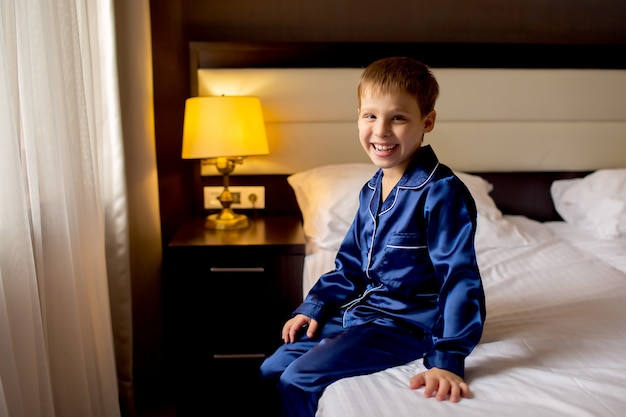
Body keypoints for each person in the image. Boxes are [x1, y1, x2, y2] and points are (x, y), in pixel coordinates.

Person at [260, 56, 486, 417]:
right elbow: (350, 264)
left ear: (427, 121)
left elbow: (459, 278)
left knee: (299, 379)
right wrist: (316, 305)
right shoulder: (371, 189)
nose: (380, 131)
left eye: (397, 117)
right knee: (270, 369)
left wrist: (447, 359)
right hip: (364, 312)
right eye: (369, 115)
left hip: (408, 325)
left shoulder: (442, 192)